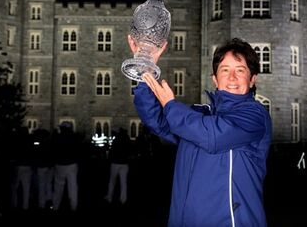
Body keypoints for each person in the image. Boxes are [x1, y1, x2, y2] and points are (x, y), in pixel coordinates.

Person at [130, 36, 272, 227]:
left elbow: (213, 136)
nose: (232, 77)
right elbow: (157, 120)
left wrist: (170, 106)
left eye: (240, 70)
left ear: (253, 79)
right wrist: (145, 68)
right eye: (225, 70)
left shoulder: (255, 115)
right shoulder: (199, 115)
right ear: (214, 79)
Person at [104, 127, 132, 204]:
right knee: (123, 182)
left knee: (112, 181)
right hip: (124, 163)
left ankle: (109, 197)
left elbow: (112, 151)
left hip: (116, 163)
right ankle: (123, 199)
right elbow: (130, 150)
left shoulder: (116, 140)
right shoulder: (127, 139)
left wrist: (109, 158)